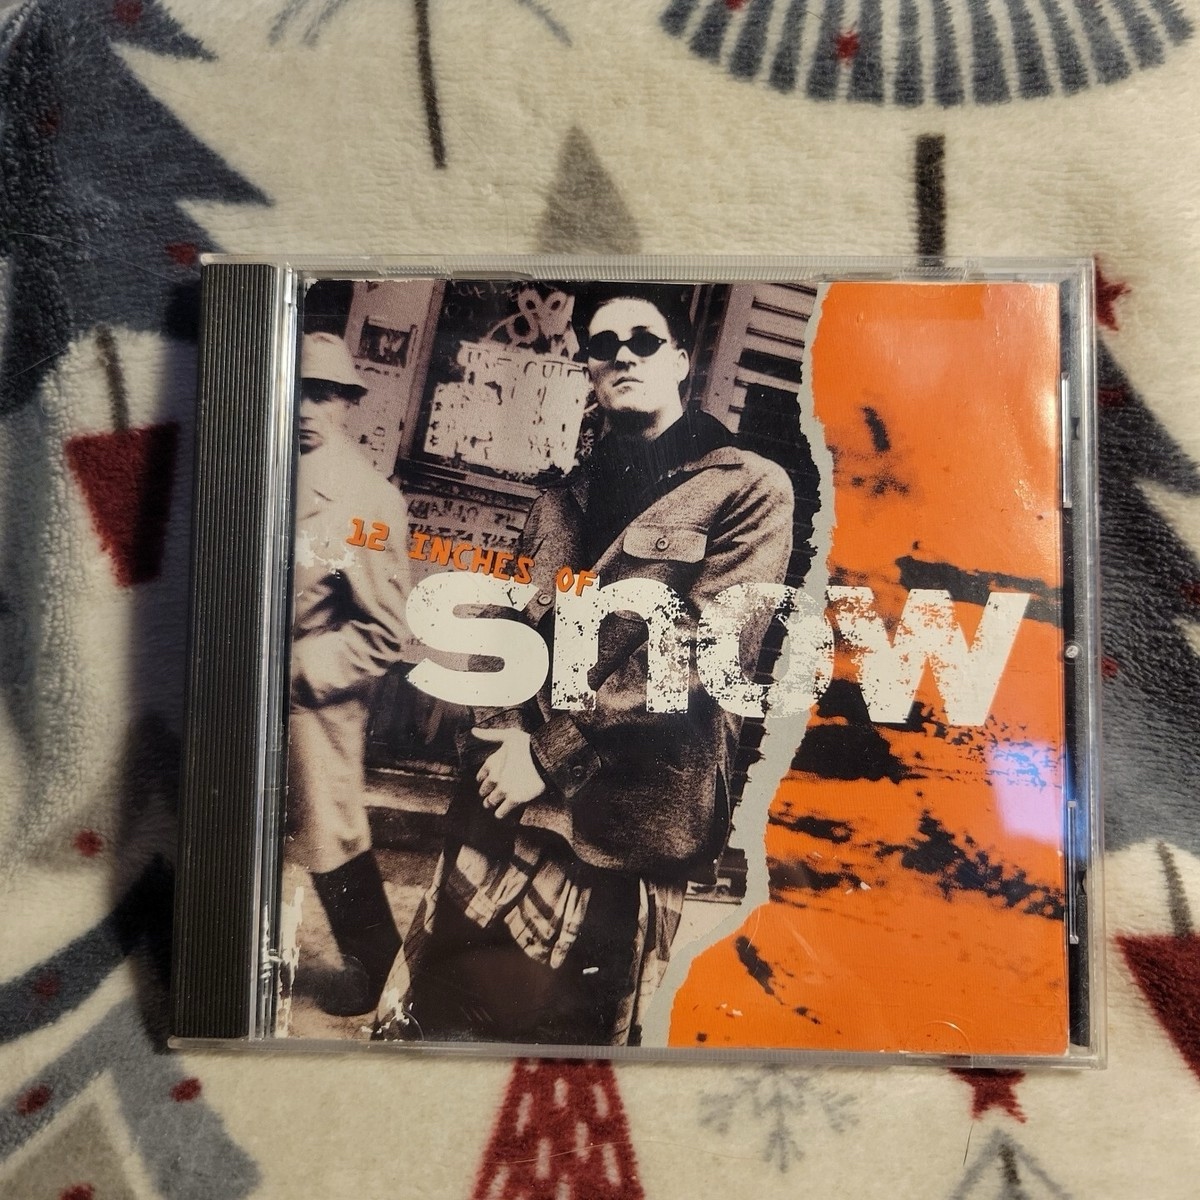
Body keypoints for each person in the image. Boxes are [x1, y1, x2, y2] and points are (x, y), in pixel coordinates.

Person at [376, 285, 794, 1046]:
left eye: (643, 340)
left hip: (624, 823)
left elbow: (704, 650)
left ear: (681, 360)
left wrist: (549, 753)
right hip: (507, 804)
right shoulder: (561, 496)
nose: (623, 356)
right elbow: (501, 622)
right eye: (604, 346)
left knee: (564, 1053)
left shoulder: (749, 488)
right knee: (445, 1024)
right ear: (589, 369)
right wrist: (502, 732)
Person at [287, 331, 412, 1016]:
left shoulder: (366, 498)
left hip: (309, 696)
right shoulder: (253, 467)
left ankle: (374, 971)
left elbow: (386, 630)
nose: (309, 409)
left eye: (326, 395)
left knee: (331, 832)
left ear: (347, 403)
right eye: (299, 392)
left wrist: (298, 669)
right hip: (233, 684)